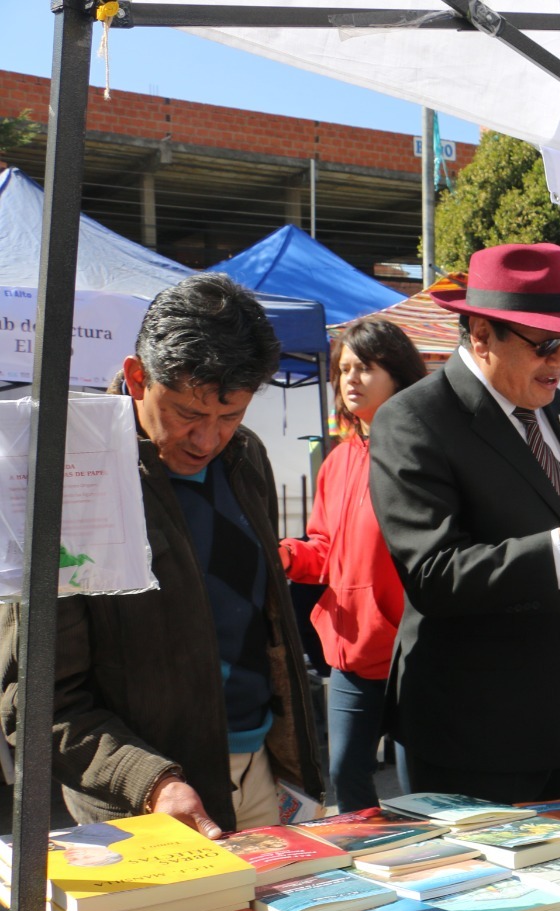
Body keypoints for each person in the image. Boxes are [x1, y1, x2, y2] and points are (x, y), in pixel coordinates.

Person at [0, 273, 324, 838]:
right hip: (141, 802)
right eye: (187, 414)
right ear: (136, 378)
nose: (207, 440)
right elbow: (38, 699)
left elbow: (263, 625)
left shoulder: (246, 458)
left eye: (230, 416)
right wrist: (150, 782)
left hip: (264, 772)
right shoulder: (70, 478)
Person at [368, 243, 560, 804]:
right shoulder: (415, 419)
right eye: (544, 345)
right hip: (477, 736)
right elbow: (433, 573)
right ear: (480, 335)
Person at [279, 316, 426, 812]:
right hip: (351, 652)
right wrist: (285, 554)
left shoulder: (425, 452)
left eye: (364, 367)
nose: (350, 379)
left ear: (398, 375)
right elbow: (324, 549)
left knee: (423, 789)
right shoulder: (337, 461)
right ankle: (370, 856)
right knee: (345, 774)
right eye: (343, 369)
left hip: (417, 652)